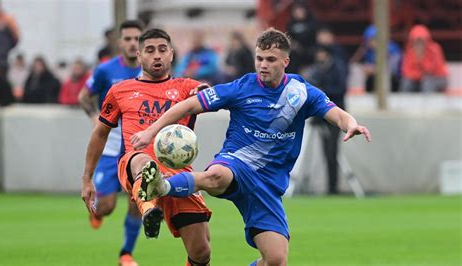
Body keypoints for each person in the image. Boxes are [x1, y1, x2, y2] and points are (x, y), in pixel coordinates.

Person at [130, 28, 372, 266]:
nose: (263, 65)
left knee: (276, 260)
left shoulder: (300, 92)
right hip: (236, 163)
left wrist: (351, 124)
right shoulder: (241, 87)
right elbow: (189, 105)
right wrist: (151, 131)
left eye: (270, 59)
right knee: (215, 177)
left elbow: (336, 114)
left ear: (285, 61)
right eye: (259, 58)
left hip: (268, 184)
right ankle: (161, 185)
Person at [81, 28, 212, 266]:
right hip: (134, 163)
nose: (157, 56)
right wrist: (87, 178)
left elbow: (208, 94)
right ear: (139, 56)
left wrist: (207, 93)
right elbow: (100, 133)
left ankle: (151, 209)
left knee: (201, 251)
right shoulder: (120, 91)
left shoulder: (186, 87)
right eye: (150, 51)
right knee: (144, 161)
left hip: (179, 174)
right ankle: (149, 209)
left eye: (162, 50)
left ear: (171, 54)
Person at [77, 20, 145, 266]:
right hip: (111, 146)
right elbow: (84, 96)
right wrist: (96, 118)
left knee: (137, 202)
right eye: (127, 39)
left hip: (138, 146)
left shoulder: (151, 70)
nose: (132, 43)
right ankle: (100, 211)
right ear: (120, 42)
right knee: (105, 206)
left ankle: (126, 253)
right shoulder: (106, 70)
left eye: (137, 38)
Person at [305, 45, 347, 195]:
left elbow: (340, 89)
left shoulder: (337, 68)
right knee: (326, 151)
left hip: (335, 113)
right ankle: (330, 186)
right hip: (321, 116)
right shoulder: (317, 69)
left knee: (332, 151)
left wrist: (321, 92)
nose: (319, 56)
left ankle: (333, 187)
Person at [351, 25, 401, 93]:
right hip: (372, 75)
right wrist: (362, 50)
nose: (371, 42)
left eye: (373, 39)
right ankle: (357, 93)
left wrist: (375, 69)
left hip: (392, 77)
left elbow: (392, 68)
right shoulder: (367, 49)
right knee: (355, 68)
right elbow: (352, 62)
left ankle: (384, 96)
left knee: (385, 73)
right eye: (368, 40)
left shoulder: (391, 48)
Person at [399, 25, 448, 93]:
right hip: (418, 79)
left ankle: (428, 103)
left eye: (421, 41)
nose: (419, 45)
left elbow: (431, 70)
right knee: (406, 83)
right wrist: (418, 75)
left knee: (427, 82)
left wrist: (420, 59)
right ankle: (404, 103)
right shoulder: (409, 51)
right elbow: (406, 72)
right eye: (416, 42)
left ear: (426, 40)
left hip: (438, 78)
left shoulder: (435, 49)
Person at [0, 0, 20, 78]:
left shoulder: (6, 19)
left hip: (1, 60)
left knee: (1, 82)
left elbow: (16, 38)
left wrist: (4, 49)